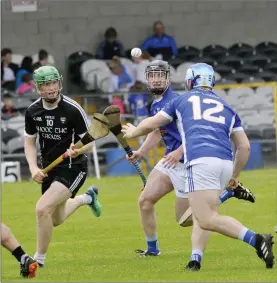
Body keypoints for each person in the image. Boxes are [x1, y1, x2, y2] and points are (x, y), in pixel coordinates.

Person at [122, 62, 274, 270]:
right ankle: (159, 251)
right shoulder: (226, 105)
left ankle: (255, 238)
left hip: (193, 161)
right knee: (146, 201)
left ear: (188, 80)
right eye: (152, 76)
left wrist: (134, 133)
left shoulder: (180, 100)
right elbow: (244, 147)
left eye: (160, 75)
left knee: (197, 218)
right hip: (217, 161)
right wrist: (234, 176)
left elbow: (157, 125)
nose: (156, 79)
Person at [24, 65, 102, 267]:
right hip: (49, 168)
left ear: (59, 82)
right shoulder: (33, 111)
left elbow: (90, 142)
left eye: (53, 83)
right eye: (45, 85)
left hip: (73, 166)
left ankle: (38, 260)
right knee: (55, 219)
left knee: (42, 210)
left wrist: (78, 150)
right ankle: (87, 198)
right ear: (38, 88)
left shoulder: (73, 109)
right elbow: (29, 142)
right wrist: (33, 168)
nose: (50, 88)